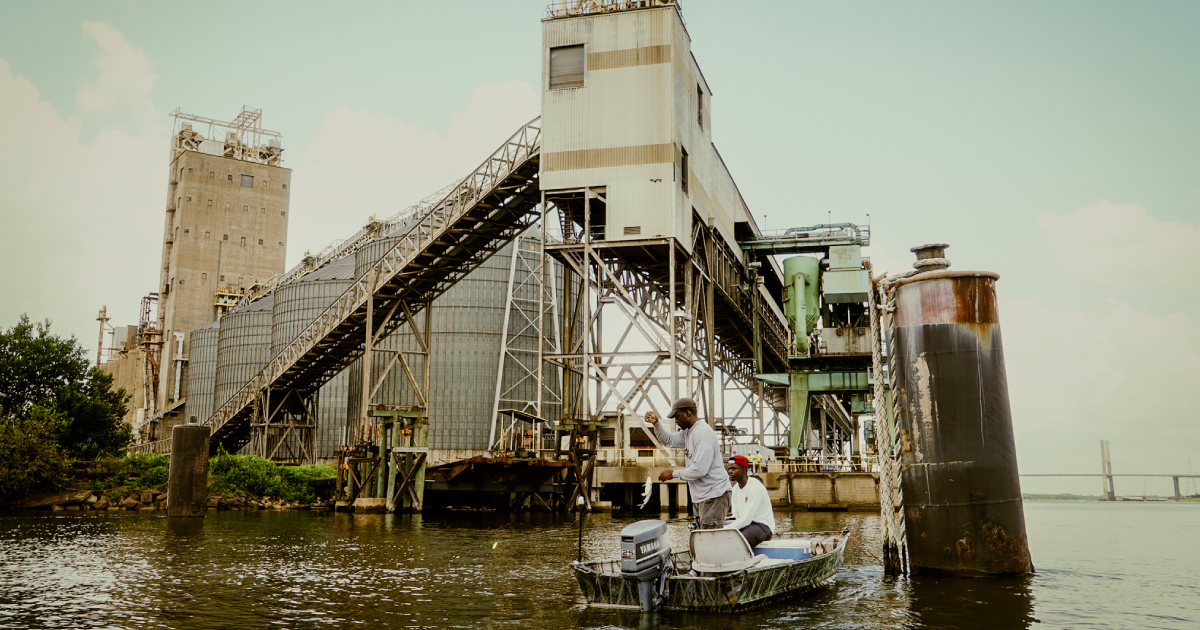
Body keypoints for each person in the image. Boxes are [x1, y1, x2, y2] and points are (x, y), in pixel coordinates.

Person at [644, 397, 731, 529]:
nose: (676, 421)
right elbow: (668, 441)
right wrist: (656, 423)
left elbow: (700, 470)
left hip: (714, 495)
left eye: (678, 417)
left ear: (688, 413)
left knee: (709, 538)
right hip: (701, 496)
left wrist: (673, 473)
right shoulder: (688, 432)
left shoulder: (702, 433)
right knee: (701, 536)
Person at [724, 454, 775, 549]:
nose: (730, 472)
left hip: (762, 526)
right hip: (747, 524)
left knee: (739, 541)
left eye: (734, 469)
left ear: (743, 470)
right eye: (729, 469)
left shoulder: (755, 487)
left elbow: (746, 519)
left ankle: (739, 562)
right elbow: (736, 516)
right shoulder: (735, 489)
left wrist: (725, 529)